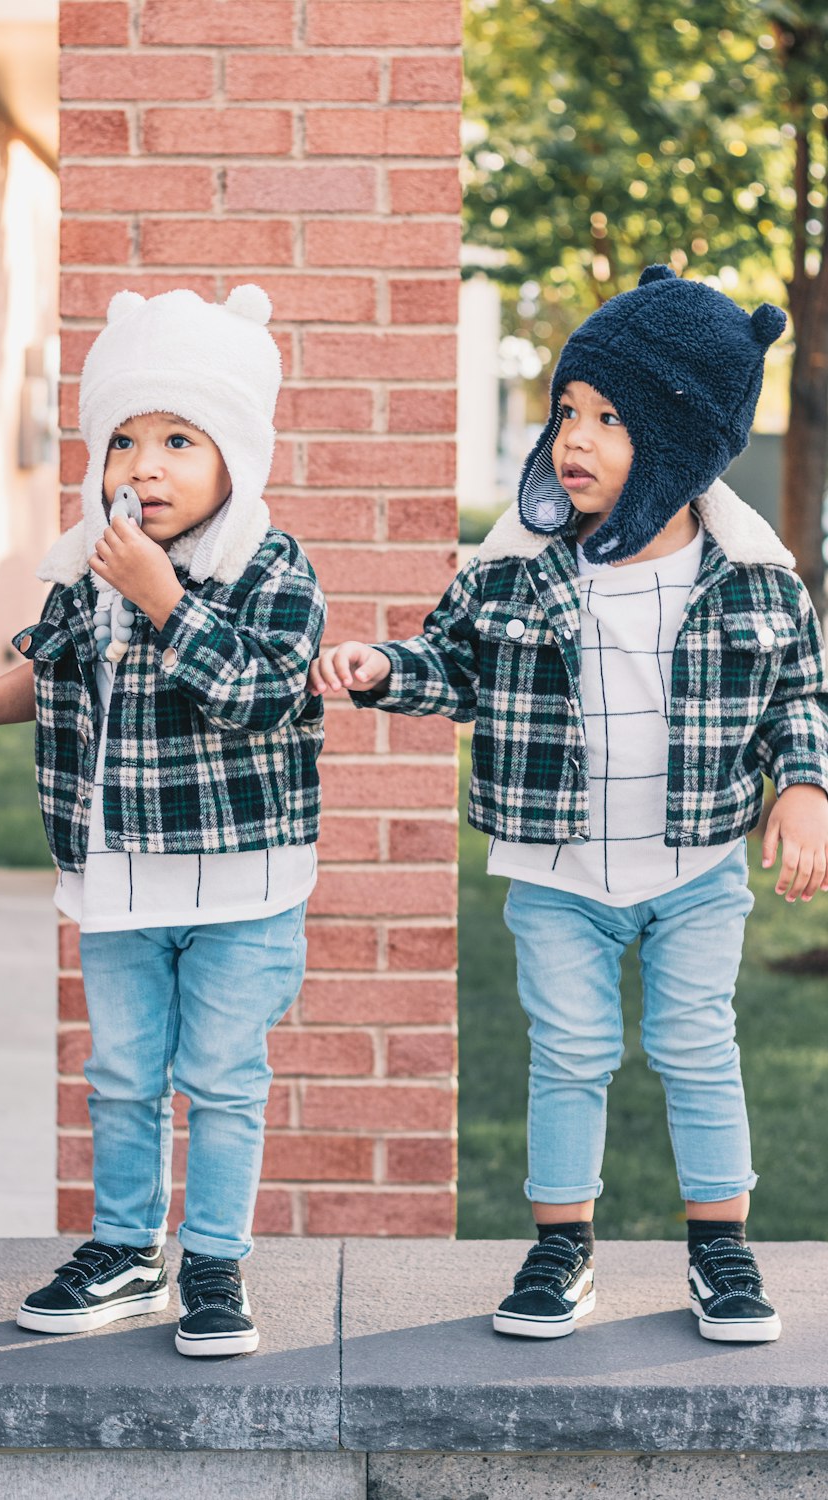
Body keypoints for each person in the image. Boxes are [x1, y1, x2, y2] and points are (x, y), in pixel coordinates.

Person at [309, 265, 828, 1344]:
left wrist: (807, 788)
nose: (571, 441)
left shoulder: (754, 580)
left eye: (607, 419)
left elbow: (798, 696)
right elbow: (449, 663)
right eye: (567, 412)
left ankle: (721, 1251)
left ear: (683, 444)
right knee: (568, 1051)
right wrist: (377, 668)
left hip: (692, 868)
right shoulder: (516, 570)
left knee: (695, 1044)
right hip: (554, 873)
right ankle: (559, 1251)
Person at [0, 285, 325, 1356]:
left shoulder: (271, 568)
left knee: (220, 1080)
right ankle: (126, 1253)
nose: (146, 466)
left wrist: (167, 598)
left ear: (237, 455)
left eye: (180, 438)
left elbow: (262, 695)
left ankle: (214, 1265)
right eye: (126, 439)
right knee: (122, 1075)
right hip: (119, 881)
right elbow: (47, 670)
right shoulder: (94, 566)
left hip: (241, 887)